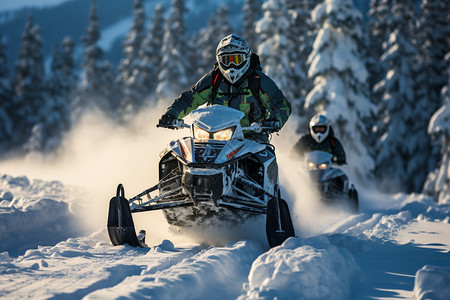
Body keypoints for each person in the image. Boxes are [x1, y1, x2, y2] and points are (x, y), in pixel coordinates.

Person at [158, 34, 291, 143]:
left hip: (250, 137)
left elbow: (281, 104)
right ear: (219, 60)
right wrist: (172, 114)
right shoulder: (214, 79)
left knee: (261, 161)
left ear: (247, 59)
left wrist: (274, 120)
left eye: (237, 59)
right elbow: (190, 98)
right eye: (227, 60)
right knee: (181, 154)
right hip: (214, 137)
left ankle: (266, 176)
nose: (232, 66)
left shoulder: (257, 80)